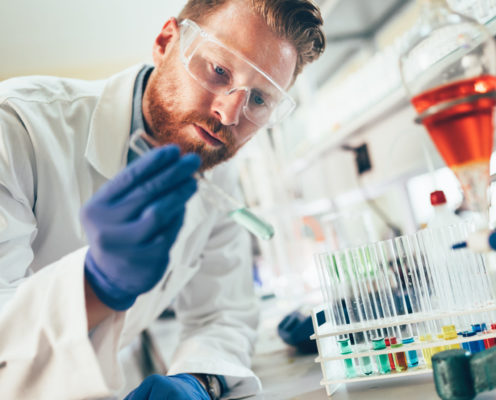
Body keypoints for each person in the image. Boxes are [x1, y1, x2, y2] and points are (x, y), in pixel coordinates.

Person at [0, 0, 325, 398]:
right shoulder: (17, 126)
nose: (228, 113)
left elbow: (224, 314)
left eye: (258, 99)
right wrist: (94, 285)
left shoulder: (216, 172)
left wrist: (199, 380)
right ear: (166, 41)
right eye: (219, 70)